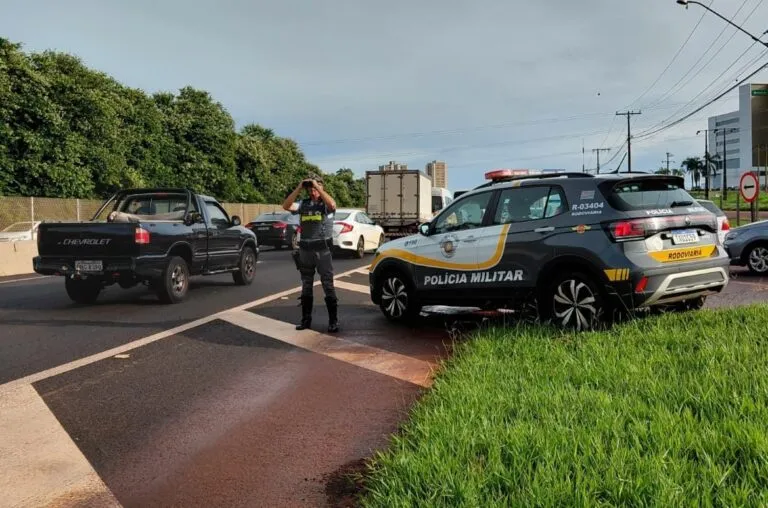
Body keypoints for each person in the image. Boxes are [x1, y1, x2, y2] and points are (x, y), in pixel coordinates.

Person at [282, 174, 339, 333]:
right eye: (310, 189)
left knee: (327, 284)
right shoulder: (304, 204)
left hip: (322, 250)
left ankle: (333, 321)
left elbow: (332, 204)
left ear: (321, 187)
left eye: (315, 188)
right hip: (305, 250)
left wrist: (317, 186)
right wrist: (299, 187)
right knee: (306, 286)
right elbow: (286, 206)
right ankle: (306, 320)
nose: (312, 191)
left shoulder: (325, 204)